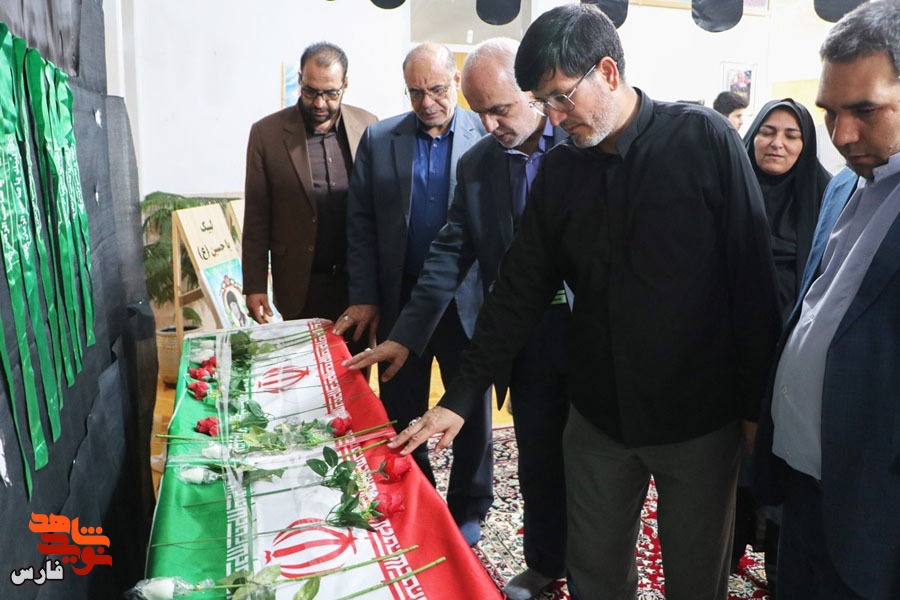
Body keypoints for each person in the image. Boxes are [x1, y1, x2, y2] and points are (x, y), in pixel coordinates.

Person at [388, 5, 780, 599]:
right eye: (541, 101)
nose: (552, 116)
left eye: (561, 98)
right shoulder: (562, 171)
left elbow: (751, 283)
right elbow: (518, 289)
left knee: (696, 577)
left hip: (697, 418)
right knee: (594, 574)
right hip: (598, 415)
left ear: (608, 72)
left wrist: (755, 415)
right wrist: (462, 397)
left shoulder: (702, 139)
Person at [343, 38, 569, 599]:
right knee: (538, 455)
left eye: (500, 109)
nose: (489, 124)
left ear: (533, 94)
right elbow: (448, 254)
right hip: (521, 333)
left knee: (597, 464)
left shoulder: (578, 144)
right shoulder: (480, 163)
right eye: (481, 111)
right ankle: (546, 562)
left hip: (592, 334)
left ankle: (597, 567)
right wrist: (404, 336)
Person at [753, 2, 900, 598]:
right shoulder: (844, 183)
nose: (841, 136)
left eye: (864, 110)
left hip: (874, 515)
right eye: (830, 113)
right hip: (804, 487)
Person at [333, 43, 491, 546]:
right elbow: (360, 225)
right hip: (401, 302)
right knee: (400, 407)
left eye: (437, 90)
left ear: (456, 81)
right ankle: (416, 498)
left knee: (471, 409)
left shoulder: (485, 133)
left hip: (467, 302)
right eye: (416, 92)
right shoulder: (381, 139)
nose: (427, 102)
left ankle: (469, 506)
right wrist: (366, 295)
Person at [731, 98, 831, 590]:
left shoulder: (828, 197)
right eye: (768, 131)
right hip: (726, 355)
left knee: (780, 466)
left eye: (793, 136)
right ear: (751, 137)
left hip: (790, 361)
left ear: (806, 146)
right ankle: (725, 552)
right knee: (727, 469)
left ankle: (777, 564)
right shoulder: (728, 191)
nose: (778, 143)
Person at [242, 42, 377, 337]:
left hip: (356, 287)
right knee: (301, 364)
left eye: (330, 93)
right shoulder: (267, 134)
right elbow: (256, 217)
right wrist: (254, 285)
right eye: (310, 91)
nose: (319, 103)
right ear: (300, 80)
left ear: (345, 85)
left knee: (354, 364)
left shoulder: (369, 126)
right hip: (298, 284)